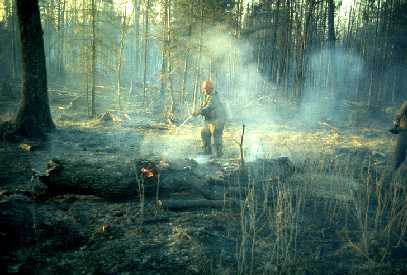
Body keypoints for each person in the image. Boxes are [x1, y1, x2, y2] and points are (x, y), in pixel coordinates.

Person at [192, 80, 226, 157]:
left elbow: (209, 108)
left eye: (206, 89)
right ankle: (207, 151)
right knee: (204, 133)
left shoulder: (214, 97)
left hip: (218, 119)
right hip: (210, 119)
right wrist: (198, 110)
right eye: (204, 89)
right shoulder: (207, 95)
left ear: (210, 88)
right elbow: (204, 106)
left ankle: (219, 154)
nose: (204, 90)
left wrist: (199, 112)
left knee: (216, 134)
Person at [392, 101, 407, 170]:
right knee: (400, 152)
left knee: (400, 152)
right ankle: (396, 170)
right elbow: (399, 114)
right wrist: (396, 124)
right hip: (405, 130)